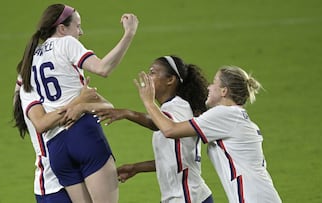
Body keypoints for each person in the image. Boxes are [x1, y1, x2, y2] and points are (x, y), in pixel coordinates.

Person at [16, 3, 138, 203]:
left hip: (56, 148)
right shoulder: (66, 43)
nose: (81, 32)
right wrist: (129, 34)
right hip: (83, 134)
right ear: (62, 29)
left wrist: (79, 104)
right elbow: (102, 68)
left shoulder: (31, 61)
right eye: (78, 26)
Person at [134, 65, 282, 203]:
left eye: (214, 83)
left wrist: (149, 102)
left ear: (224, 91)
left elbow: (170, 130)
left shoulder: (224, 114)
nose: (208, 87)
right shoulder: (234, 116)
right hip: (261, 196)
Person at [94, 56, 214, 203]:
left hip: (188, 196)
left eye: (153, 73)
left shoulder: (178, 106)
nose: (148, 77)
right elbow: (172, 161)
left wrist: (130, 112)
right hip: (184, 195)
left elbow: (163, 127)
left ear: (170, 80)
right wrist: (136, 168)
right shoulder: (171, 109)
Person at [13, 76, 113, 203]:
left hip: (80, 172)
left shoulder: (61, 78)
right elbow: (42, 124)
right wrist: (80, 101)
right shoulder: (30, 88)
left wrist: (83, 105)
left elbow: (107, 107)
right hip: (52, 185)